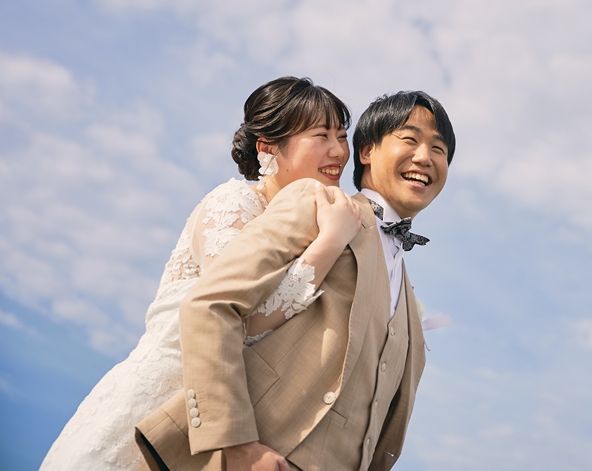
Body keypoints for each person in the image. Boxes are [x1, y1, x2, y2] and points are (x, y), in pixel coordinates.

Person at [40, 77, 362, 471]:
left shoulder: (312, 219)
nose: (339, 151)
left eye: (342, 136)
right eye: (321, 135)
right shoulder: (235, 201)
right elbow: (235, 317)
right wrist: (330, 243)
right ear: (268, 147)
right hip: (162, 405)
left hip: (225, 411)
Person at [135, 90, 456, 471]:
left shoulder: (407, 292)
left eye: (439, 149)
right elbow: (212, 304)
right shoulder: (318, 203)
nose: (425, 157)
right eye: (410, 140)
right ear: (367, 151)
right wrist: (237, 444)